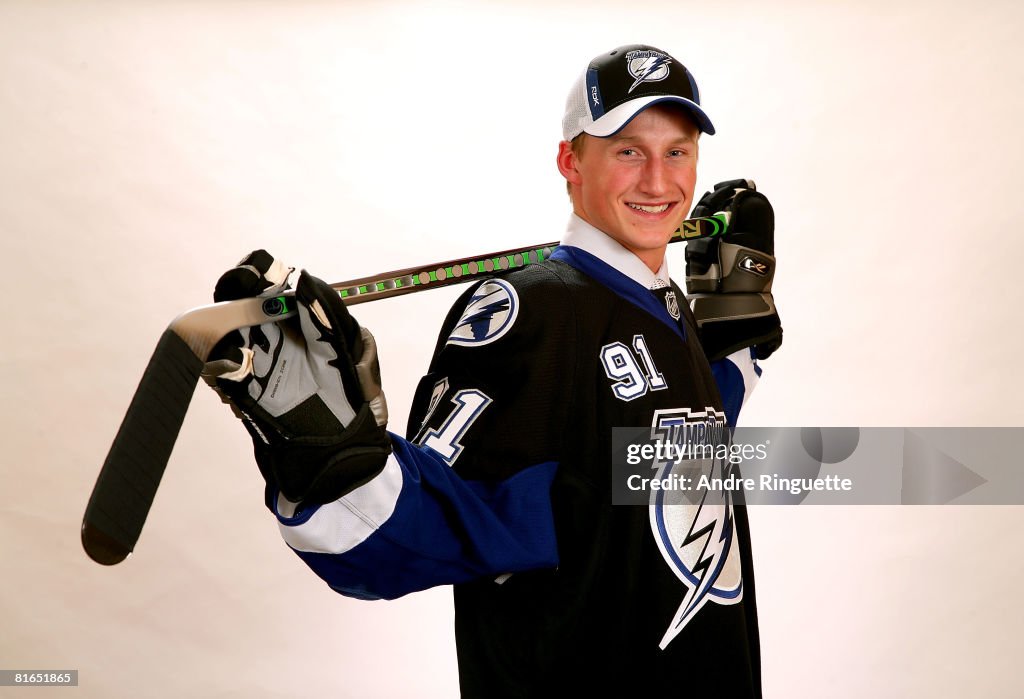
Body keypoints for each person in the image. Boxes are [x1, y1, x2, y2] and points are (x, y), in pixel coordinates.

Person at [204, 43, 781, 698]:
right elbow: (436, 522)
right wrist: (329, 456)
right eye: (627, 151)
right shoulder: (532, 312)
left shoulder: (663, 304)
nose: (657, 181)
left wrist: (737, 318)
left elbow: (672, 443)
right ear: (571, 161)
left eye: (676, 151)